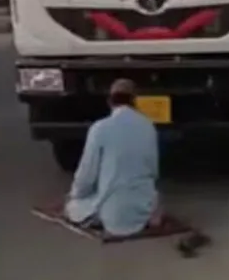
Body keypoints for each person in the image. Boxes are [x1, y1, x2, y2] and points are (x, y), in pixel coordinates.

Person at [64, 79, 163, 237]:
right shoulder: (148, 126)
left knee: (73, 206)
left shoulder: (100, 128)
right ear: (134, 101)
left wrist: (75, 194)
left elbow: (87, 174)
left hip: (112, 214)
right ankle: (148, 214)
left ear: (109, 101)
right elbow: (153, 171)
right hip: (143, 206)